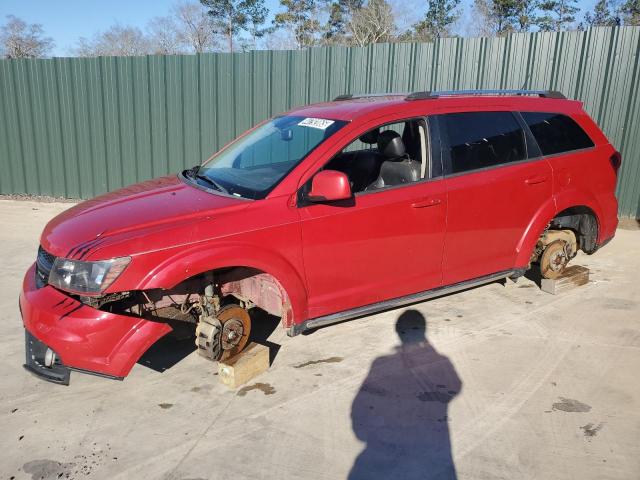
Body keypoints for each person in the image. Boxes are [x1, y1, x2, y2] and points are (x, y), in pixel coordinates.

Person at [349, 309, 461, 480]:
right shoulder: (440, 360)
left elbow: (359, 407)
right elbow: (455, 386)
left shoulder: (380, 363)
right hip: (430, 442)